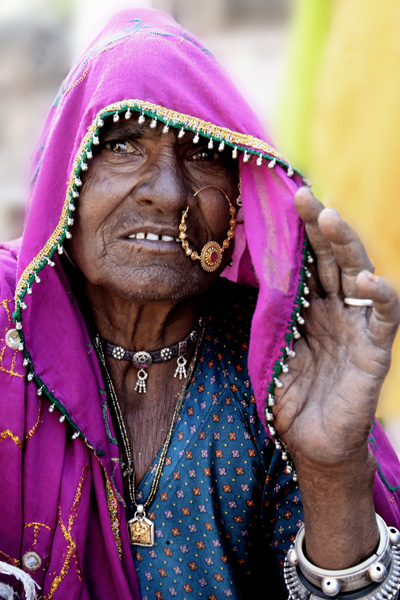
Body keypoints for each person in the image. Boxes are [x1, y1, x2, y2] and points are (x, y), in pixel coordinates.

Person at [0, 9, 399, 600]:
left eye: (203, 154)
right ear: (67, 177)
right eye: (124, 145)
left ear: (238, 197)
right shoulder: (8, 327)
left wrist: (332, 470)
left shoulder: (277, 363)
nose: (167, 192)